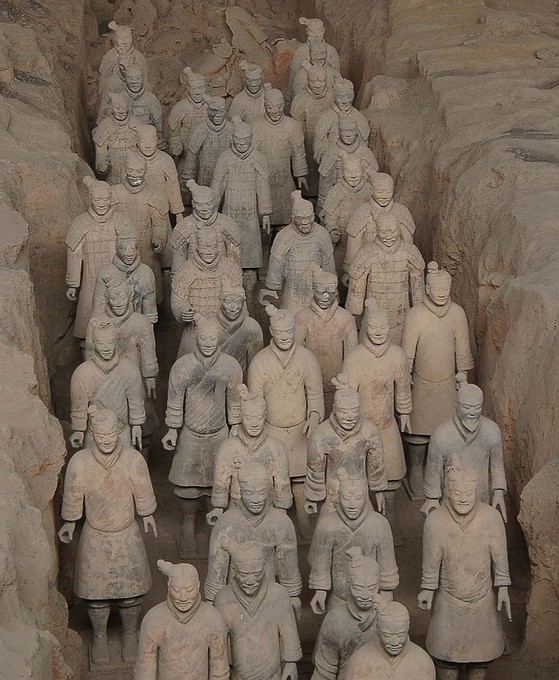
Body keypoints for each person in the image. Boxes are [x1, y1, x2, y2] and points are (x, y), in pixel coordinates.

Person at [58, 407, 156, 665]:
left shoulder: (133, 459)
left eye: (112, 434)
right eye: (101, 435)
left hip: (126, 534)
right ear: (92, 433)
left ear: (119, 431)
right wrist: (70, 521)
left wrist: (147, 514)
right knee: (95, 594)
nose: (107, 440)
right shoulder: (80, 462)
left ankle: (130, 634)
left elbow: (142, 488)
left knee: (132, 592)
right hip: (96, 536)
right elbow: (74, 493)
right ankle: (99, 636)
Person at [418, 466, 511, 680]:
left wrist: (503, 587)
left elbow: (500, 556)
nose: (463, 499)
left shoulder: (491, 517)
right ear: (447, 491)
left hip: (482, 599)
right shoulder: (435, 521)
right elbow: (431, 561)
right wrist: (427, 589)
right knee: (446, 663)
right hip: (448, 600)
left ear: (477, 491)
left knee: (479, 664)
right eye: (458, 493)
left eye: (469, 493)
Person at [162, 315, 242, 555]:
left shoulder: (230, 366)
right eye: (204, 338)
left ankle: (216, 526)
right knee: (188, 484)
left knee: (218, 482)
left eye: (212, 339)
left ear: (219, 338)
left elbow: (234, 401)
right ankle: (188, 524)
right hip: (191, 434)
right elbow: (175, 400)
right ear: (197, 337)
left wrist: (236, 426)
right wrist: (172, 429)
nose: (208, 343)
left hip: (220, 434)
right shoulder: (183, 366)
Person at [248, 305, 324, 538]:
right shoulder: (260, 362)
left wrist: (314, 415)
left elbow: (315, 394)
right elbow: (255, 402)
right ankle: (274, 522)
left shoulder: (306, 358)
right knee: (272, 479)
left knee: (300, 477)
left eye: (289, 332)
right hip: (271, 431)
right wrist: (258, 431)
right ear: (271, 331)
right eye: (279, 332)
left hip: (300, 430)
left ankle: (303, 517)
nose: (284, 337)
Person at [401, 261, 474, 498]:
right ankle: (416, 470)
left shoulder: (457, 314)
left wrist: (463, 375)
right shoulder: (416, 314)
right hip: (421, 383)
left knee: (448, 431)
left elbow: (462, 348)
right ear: (427, 289)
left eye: (446, 290)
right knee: (418, 431)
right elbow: (407, 351)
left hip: (447, 383)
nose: (441, 294)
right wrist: (405, 376)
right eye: (437, 290)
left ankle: (445, 471)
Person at [343, 300, 412, 541]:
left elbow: (403, 387)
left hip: (386, 425)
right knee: (358, 476)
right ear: (365, 326)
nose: (379, 331)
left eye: (383, 326)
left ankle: (389, 517)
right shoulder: (355, 358)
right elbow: (348, 395)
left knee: (391, 473)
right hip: (359, 429)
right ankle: (363, 521)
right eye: (373, 326)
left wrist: (404, 412)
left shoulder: (397, 355)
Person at [205, 461, 302, 612]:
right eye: (249, 493)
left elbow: (288, 566)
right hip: (233, 594)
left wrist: (293, 595)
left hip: (268, 593)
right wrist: (212, 600)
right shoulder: (226, 523)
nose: (256, 499)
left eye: (262, 492)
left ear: (269, 490)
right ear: (240, 491)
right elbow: (217, 568)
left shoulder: (281, 522)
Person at [308, 470, 398, 612]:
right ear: (339, 497)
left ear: (366, 498)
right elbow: (321, 563)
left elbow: (387, 563)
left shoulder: (380, 524)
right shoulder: (327, 525)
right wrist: (320, 590)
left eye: (358, 498)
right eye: (346, 498)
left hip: (372, 599)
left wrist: (387, 590)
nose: (352, 505)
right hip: (339, 598)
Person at [422, 374, 507, 521]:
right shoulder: (441, 435)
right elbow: (433, 470)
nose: (473, 413)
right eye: (467, 407)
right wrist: (432, 499)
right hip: (450, 502)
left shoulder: (492, 431)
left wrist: (498, 492)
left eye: (477, 407)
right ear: (456, 405)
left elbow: (497, 465)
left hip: (481, 500)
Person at [214, 540, 301, 680]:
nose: (250, 581)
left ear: (264, 567)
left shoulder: (278, 594)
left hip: (274, 674)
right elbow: (220, 644)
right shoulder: (223, 598)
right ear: (233, 570)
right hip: (238, 675)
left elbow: (288, 632)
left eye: (257, 573)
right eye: (244, 574)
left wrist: (291, 663)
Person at [305, 373, 386, 516]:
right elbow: (315, 470)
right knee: (329, 526)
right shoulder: (322, 434)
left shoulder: (369, 431)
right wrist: (313, 497)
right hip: (333, 494)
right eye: (343, 412)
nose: (350, 417)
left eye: (354, 411)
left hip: (360, 494)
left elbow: (376, 466)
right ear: (334, 409)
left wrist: (379, 491)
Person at [209, 383, 291, 523]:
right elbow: (221, 482)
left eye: (259, 418)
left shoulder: (276, 448)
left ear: (265, 416)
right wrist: (218, 508)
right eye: (248, 418)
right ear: (240, 416)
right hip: (235, 510)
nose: (254, 424)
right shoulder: (228, 447)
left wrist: (282, 514)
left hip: (268, 511)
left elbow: (282, 485)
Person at [134, 560, 229, 680]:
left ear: (198, 586)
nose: (183, 597)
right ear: (168, 586)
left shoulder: (213, 619)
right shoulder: (154, 619)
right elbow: (144, 672)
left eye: (189, 590)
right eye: (176, 590)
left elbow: (219, 672)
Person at [211, 117, 272, 299]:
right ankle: (232, 297)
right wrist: (211, 212)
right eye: (238, 140)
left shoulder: (258, 158)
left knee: (250, 262)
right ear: (232, 138)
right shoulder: (224, 158)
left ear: (251, 139)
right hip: (229, 215)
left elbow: (263, 186)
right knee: (230, 260)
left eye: (246, 140)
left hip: (250, 217)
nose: (242, 144)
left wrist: (266, 213)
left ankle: (250, 298)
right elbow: (217, 186)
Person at [346, 211, 425, 345]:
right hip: (372, 321)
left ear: (399, 229)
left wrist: (419, 312)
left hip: (402, 319)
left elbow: (418, 289)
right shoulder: (367, 253)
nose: (389, 236)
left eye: (393, 231)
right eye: (383, 232)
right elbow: (356, 291)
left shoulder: (410, 252)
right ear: (376, 230)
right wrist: (353, 313)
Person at [65, 177, 129, 339]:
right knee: (88, 325)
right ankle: (87, 346)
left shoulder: (121, 221)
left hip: (118, 280)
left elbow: (131, 251)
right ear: (89, 198)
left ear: (111, 198)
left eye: (105, 199)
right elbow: (74, 254)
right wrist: (73, 284)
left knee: (121, 325)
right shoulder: (80, 223)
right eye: (97, 199)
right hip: (90, 280)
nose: (101, 204)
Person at [70, 318, 145, 449]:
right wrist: (79, 430)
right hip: (94, 433)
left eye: (110, 342)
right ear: (93, 343)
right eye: (101, 343)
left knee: (127, 461)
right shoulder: (82, 372)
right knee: (90, 461)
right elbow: (79, 406)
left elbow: (136, 401)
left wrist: (137, 425)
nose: (106, 348)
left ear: (116, 341)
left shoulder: (129, 369)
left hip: (121, 430)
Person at [311, 548, 382, 680]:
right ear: (348, 583)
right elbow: (324, 672)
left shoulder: (386, 615)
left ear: (379, 583)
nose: (365, 596)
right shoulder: (335, 620)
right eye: (358, 588)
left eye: (372, 588)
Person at [171, 228, 243, 357]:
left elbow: (240, 300)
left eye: (212, 246)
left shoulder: (230, 268)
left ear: (218, 246)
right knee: (187, 365)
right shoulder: (186, 270)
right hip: (195, 330)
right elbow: (177, 300)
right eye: (204, 246)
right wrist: (183, 310)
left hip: (225, 329)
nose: (209, 251)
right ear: (197, 246)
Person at [260, 191, 335, 314]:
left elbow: (329, 265)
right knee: (290, 321)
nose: (305, 222)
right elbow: (276, 263)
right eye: (301, 218)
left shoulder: (322, 234)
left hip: (317, 293)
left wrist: (331, 289)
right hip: (292, 293)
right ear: (293, 218)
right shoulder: (284, 236)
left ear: (313, 215)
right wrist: (273, 287)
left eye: (308, 217)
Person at [295, 266, 357, 410]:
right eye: (320, 292)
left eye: (330, 293)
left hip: (337, 385)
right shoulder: (302, 318)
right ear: (313, 291)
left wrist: (346, 384)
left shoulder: (346, 318)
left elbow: (351, 358)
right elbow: (297, 356)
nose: (325, 297)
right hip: (309, 385)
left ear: (336, 292)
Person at [112, 150, 169, 303]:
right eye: (131, 170)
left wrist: (159, 238)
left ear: (145, 171)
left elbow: (159, 223)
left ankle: (153, 311)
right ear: (125, 169)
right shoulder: (114, 193)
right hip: (121, 248)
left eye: (139, 171)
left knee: (149, 285)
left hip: (146, 247)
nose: (134, 175)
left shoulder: (154, 195)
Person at [252, 86, 308, 228]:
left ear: (283, 105)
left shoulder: (292, 126)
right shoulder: (256, 127)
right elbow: (251, 156)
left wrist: (301, 173)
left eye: (278, 106)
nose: (275, 111)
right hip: (263, 183)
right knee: (263, 221)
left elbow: (298, 151)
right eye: (270, 107)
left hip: (285, 180)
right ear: (264, 106)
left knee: (287, 219)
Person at [344, 172, 416, 276]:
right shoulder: (362, 212)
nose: (384, 196)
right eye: (380, 192)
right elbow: (353, 245)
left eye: (388, 192)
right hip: (367, 269)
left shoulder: (402, 211)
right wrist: (348, 271)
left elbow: (408, 244)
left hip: (397, 267)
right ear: (371, 189)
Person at [344, 602, 436, 679]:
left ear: (407, 629)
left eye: (400, 635)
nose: (394, 643)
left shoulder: (422, 662)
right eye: (387, 636)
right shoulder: (359, 662)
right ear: (378, 630)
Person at [171, 181, 240, 275]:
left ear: (214, 202)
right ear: (193, 204)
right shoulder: (184, 227)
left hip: (222, 277)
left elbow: (234, 264)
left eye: (208, 204)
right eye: (199, 205)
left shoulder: (227, 224)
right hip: (194, 278)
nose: (204, 209)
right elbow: (177, 269)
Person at [92, 225, 158, 324]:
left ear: (137, 249)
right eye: (123, 248)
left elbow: (150, 315)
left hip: (137, 327)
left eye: (132, 248)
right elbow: (97, 313)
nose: (129, 253)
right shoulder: (105, 272)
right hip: (110, 327)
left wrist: (146, 330)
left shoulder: (146, 273)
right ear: (116, 248)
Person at [212, 281, 263, 380]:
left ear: (243, 303)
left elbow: (255, 364)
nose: (233, 308)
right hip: (215, 380)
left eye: (238, 302)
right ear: (220, 301)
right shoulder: (210, 325)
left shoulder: (252, 327)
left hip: (242, 381)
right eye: (227, 302)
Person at [182, 95, 234, 187]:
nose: (218, 115)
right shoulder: (201, 130)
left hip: (226, 174)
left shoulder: (231, 129)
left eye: (221, 111)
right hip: (205, 174)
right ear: (208, 110)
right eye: (214, 111)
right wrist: (188, 177)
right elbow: (191, 154)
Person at [93, 92, 142, 185]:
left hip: (136, 177)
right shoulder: (104, 125)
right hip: (113, 179)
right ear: (111, 108)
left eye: (124, 107)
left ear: (129, 107)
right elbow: (100, 154)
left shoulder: (137, 123)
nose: (121, 111)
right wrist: (101, 164)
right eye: (117, 108)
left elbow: (145, 151)